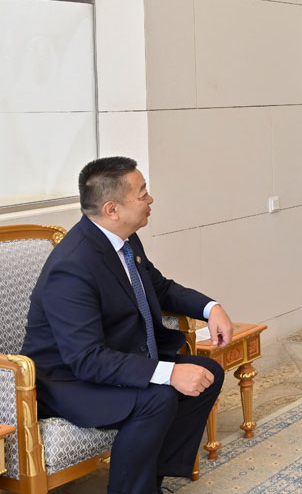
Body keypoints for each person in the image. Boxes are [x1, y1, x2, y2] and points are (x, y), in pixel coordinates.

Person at [22, 157, 235, 494]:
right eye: (142, 193)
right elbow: (86, 359)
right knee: (158, 397)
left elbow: (160, 288)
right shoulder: (73, 266)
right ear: (112, 209)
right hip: (68, 380)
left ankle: (151, 480)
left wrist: (211, 308)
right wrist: (169, 373)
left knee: (208, 374)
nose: (151, 199)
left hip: (115, 356)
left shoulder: (124, 240)